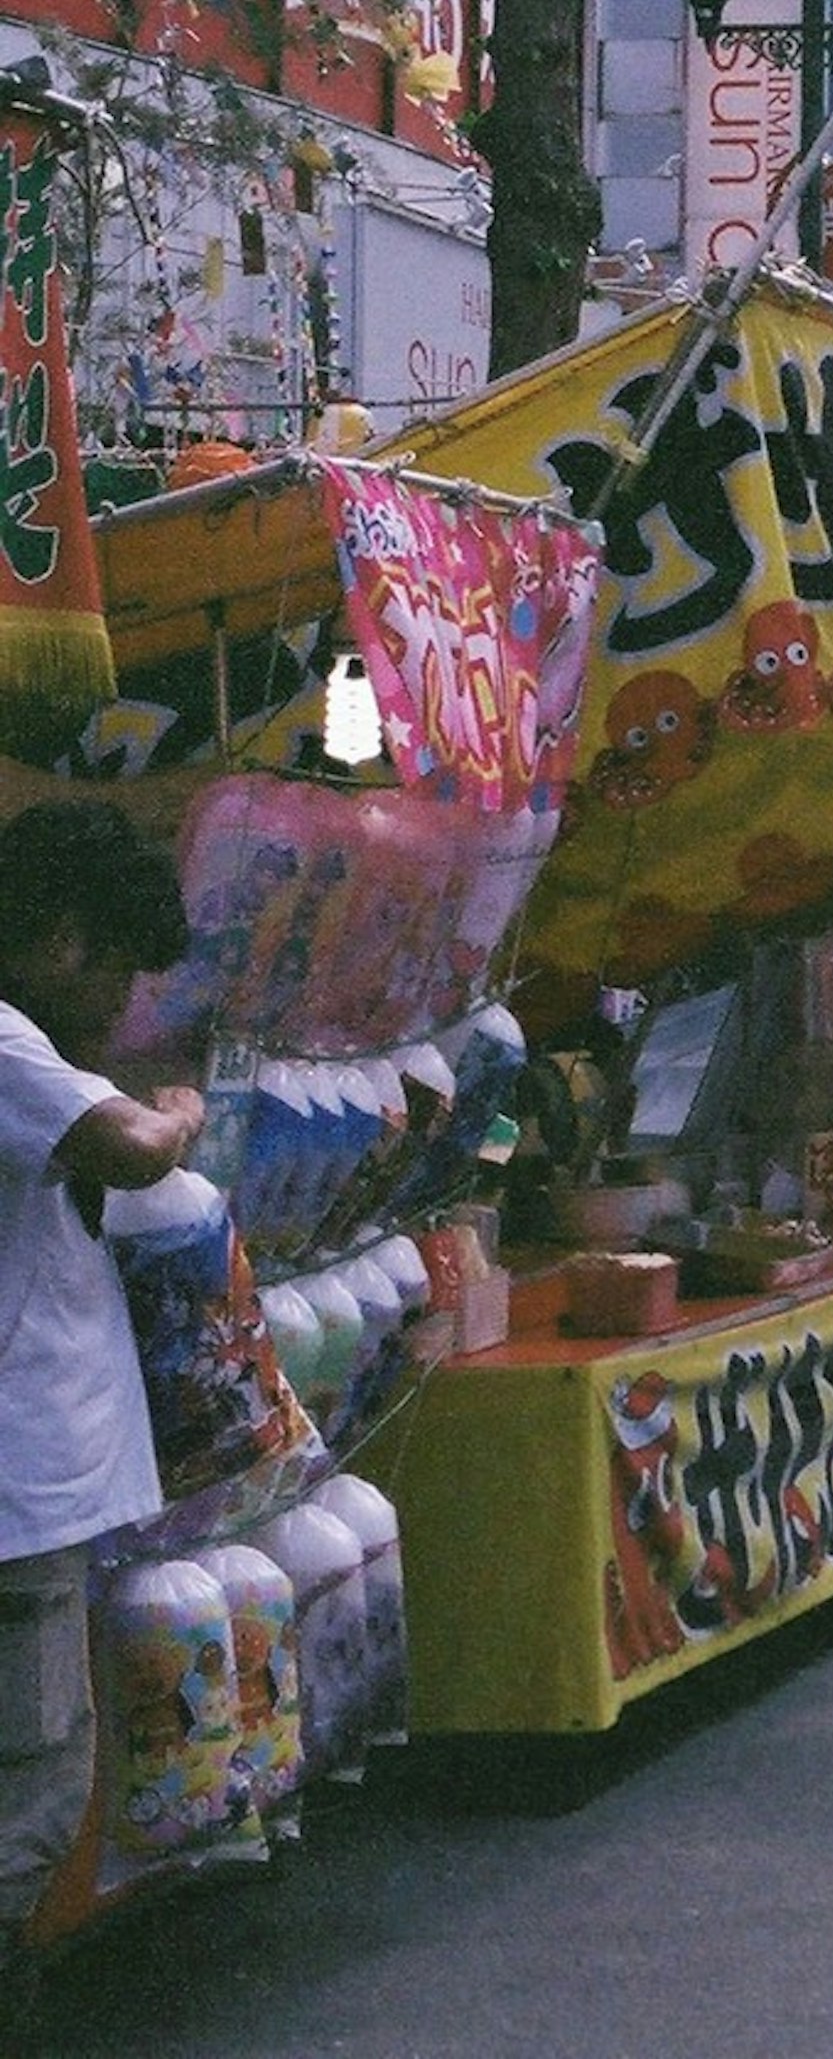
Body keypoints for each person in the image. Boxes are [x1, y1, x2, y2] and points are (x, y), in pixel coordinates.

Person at [0, 800, 204, 1982]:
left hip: (37, 1482)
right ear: (66, 938)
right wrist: (178, 1106)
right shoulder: (9, 1041)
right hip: (17, 1486)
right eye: (121, 964)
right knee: (31, 1776)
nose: (127, 999)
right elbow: (129, 1144)